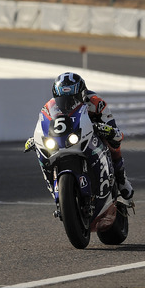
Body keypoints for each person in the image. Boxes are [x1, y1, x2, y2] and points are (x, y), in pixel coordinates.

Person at [33, 72, 134, 200]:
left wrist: (109, 130)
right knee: (41, 151)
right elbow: (44, 123)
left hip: (91, 134)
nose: (67, 103)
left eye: (73, 98)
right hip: (67, 138)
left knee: (114, 142)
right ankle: (52, 186)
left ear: (82, 93)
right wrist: (36, 138)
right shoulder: (49, 106)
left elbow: (114, 129)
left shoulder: (96, 102)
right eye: (62, 99)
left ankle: (121, 179)